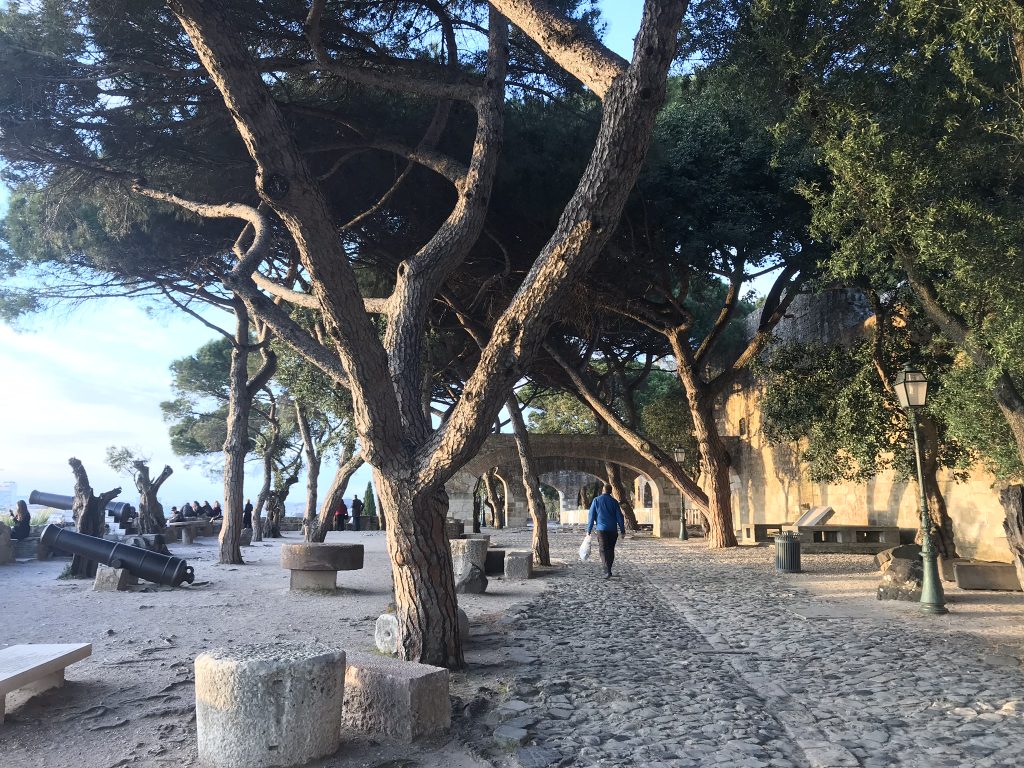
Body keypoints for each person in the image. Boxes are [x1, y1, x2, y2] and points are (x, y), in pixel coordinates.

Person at [587, 483, 626, 579]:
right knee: (610, 549)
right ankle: (609, 569)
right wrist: (622, 530)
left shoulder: (596, 500)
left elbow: (591, 516)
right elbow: (620, 517)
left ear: (603, 490)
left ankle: (607, 570)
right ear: (611, 491)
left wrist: (589, 530)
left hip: (601, 530)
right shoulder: (614, 502)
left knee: (603, 549)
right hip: (613, 530)